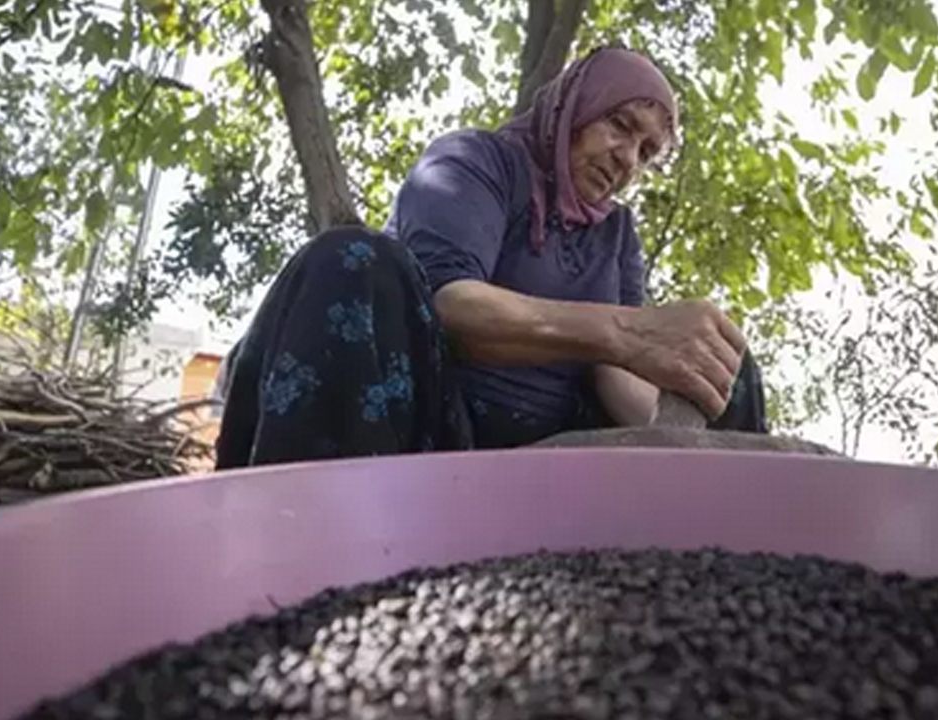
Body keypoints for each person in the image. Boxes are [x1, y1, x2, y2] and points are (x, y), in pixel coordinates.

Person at [213, 46, 769, 470]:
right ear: (576, 107)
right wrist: (629, 331)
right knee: (355, 260)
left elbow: (612, 374)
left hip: (545, 456)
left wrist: (679, 415)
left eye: (647, 152)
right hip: (427, 428)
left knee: (724, 367)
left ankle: (715, 568)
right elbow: (454, 308)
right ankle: (306, 533)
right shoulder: (478, 163)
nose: (627, 159)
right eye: (620, 126)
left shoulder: (617, 233)